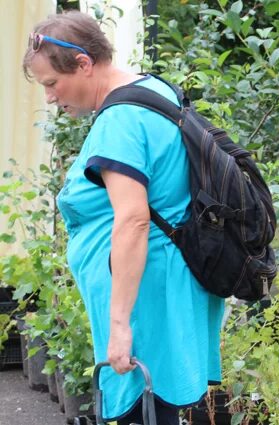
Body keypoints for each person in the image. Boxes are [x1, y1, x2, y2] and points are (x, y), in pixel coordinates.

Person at [23, 11, 225, 425]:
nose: (50, 97)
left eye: (51, 84)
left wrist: (119, 325)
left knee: (145, 409)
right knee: (162, 406)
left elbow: (133, 219)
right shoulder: (152, 88)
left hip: (144, 294)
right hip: (166, 280)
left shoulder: (120, 121)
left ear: (84, 64)